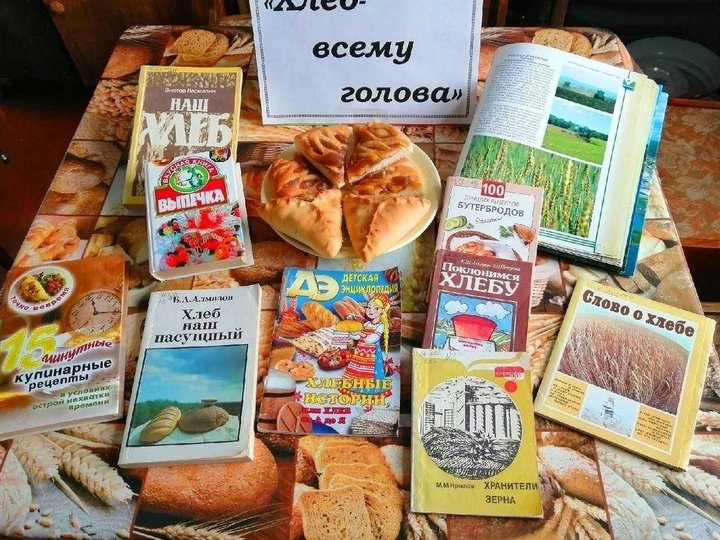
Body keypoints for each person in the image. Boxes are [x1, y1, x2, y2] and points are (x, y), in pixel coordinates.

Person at [343, 293, 391, 381]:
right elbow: (357, 336)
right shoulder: (367, 324)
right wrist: (352, 333)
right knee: (358, 370)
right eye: (369, 307)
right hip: (360, 352)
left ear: (382, 310)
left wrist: (362, 335)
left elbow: (372, 339)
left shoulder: (380, 326)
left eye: (376, 308)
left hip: (372, 353)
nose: (370, 310)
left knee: (370, 371)